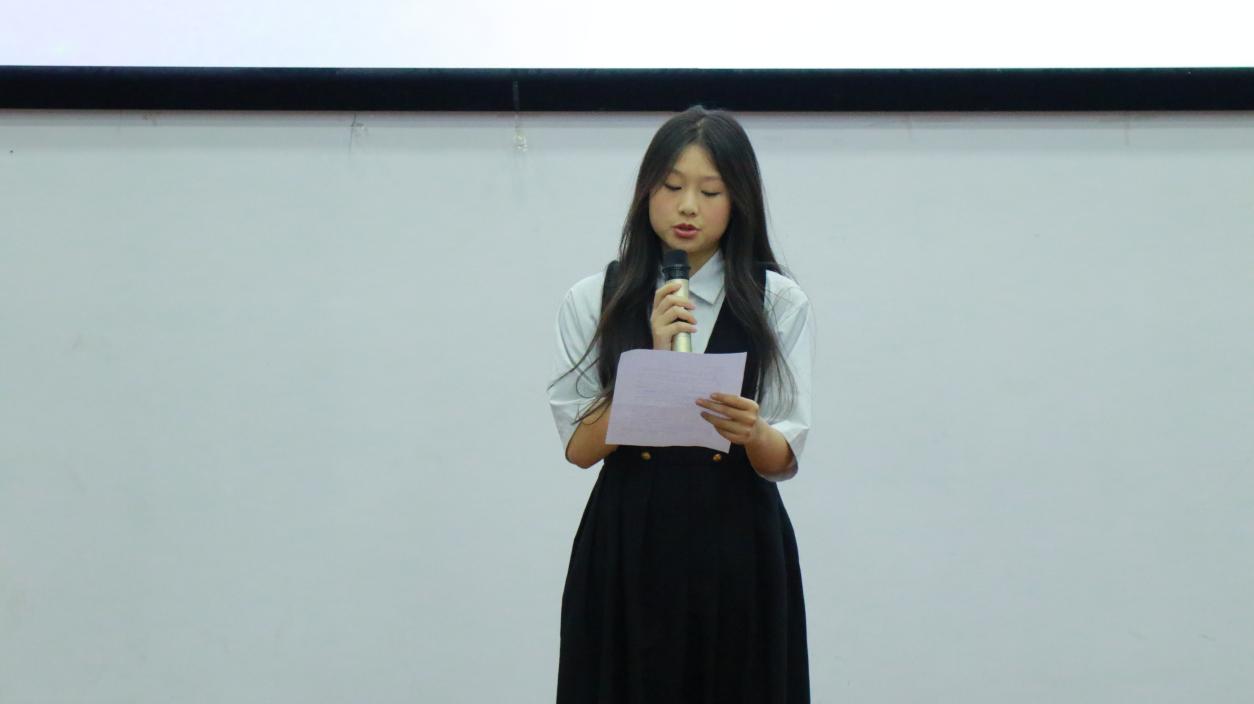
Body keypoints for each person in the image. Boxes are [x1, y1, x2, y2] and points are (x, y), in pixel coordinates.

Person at [547, 106, 815, 704]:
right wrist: (648, 362)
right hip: (628, 540)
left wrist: (754, 432)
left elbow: (783, 458)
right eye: (671, 187)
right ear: (646, 192)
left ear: (738, 200)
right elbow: (579, 449)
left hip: (738, 539)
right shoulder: (594, 299)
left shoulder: (778, 302)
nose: (688, 206)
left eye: (710, 191)